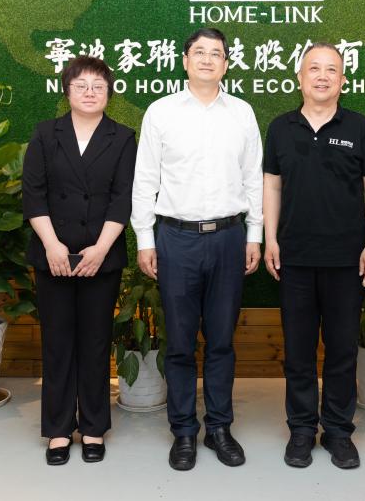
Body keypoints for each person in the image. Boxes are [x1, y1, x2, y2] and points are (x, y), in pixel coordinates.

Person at [131, 27, 263, 471]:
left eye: (216, 53)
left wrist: (255, 234)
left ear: (226, 64)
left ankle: (220, 428)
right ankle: (184, 431)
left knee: (222, 341)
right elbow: (145, 180)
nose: (208, 59)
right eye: (199, 52)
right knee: (180, 343)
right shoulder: (161, 112)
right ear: (185, 61)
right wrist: (145, 239)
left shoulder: (241, 113)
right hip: (176, 239)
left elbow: (253, 178)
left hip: (228, 237)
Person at [262, 43, 365, 469]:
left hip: (347, 260)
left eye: (331, 70)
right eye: (314, 68)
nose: (322, 76)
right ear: (300, 78)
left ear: (342, 81)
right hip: (294, 257)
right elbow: (271, 185)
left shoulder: (361, 127)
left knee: (342, 351)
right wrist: (270, 238)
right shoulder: (281, 127)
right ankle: (300, 430)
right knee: (297, 351)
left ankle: (337, 432)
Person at [22, 56, 136, 466]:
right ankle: (57, 430)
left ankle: (92, 428)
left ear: (109, 93)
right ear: (66, 90)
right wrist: (52, 245)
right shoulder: (45, 134)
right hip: (52, 254)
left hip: (101, 256)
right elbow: (33, 194)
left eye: (98, 86)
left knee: (95, 342)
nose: (90, 92)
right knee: (57, 342)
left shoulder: (122, 137)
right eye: (81, 85)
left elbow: (123, 198)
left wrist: (101, 248)